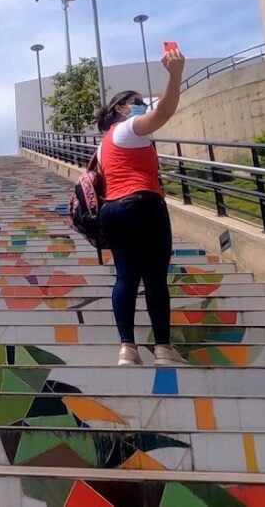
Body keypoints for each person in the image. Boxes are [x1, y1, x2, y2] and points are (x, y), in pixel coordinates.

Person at [94, 46, 187, 366]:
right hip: (143, 203)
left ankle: (127, 349)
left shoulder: (105, 144)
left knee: (125, 277)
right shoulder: (129, 129)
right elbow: (162, 114)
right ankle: (162, 348)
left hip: (113, 210)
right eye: (137, 103)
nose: (142, 107)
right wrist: (175, 75)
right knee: (155, 278)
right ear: (121, 108)